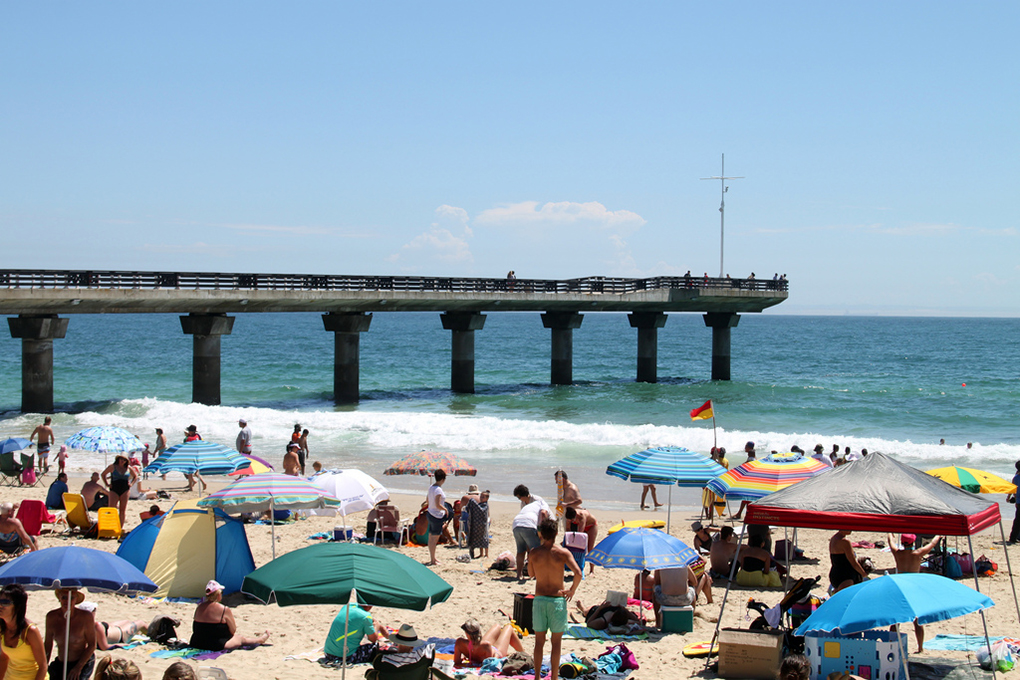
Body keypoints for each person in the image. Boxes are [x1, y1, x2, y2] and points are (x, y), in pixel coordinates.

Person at [528, 518, 581, 680]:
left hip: (540, 599)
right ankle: (554, 678)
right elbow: (578, 573)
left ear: (541, 534)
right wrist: (571, 590)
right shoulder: (563, 553)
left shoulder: (534, 552)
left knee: (539, 641)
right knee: (556, 642)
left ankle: (537, 677)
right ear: (557, 533)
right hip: (557, 600)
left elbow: (531, 574)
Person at [889, 533, 941, 652]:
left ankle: (891, 644)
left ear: (902, 542)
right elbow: (932, 543)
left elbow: (890, 543)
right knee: (917, 621)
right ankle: (920, 647)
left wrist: (890, 533)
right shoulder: (917, 554)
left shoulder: (898, 553)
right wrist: (938, 535)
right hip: (913, 589)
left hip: (900, 588)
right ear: (913, 543)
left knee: (896, 620)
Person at [190, 581, 269, 652]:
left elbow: (195, 628)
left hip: (196, 643)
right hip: (217, 645)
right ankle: (260, 640)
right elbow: (233, 630)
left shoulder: (199, 607)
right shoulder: (224, 610)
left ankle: (259, 640)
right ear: (218, 595)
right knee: (240, 638)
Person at [43, 588, 96, 680]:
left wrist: (78, 668)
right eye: (64, 597)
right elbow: (48, 644)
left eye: (71, 598)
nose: (67, 601)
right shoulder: (52, 617)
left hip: (82, 661)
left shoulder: (86, 617)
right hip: (61, 662)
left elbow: (92, 645)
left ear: (76, 600)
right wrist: (44, 665)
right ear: (59, 598)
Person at [0, 583, 47, 680]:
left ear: (18, 606)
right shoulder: (2, 628)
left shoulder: (30, 631)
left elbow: (43, 666)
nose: (0, 605)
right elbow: (4, 658)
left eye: (5, 602)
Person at [512, 485, 550, 580]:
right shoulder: (541, 504)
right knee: (537, 551)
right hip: (528, 524)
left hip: (516, 524)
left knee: (521, 551)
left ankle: (519, 574)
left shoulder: (538, 500)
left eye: (519, 497)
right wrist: (541, 532)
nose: (519, 499)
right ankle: (537, 574)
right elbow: (543, 514)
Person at [454, 618, 523, 666]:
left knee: (497, 626)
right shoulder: (485, 645)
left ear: (467, 634)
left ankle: (523, 654)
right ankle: (524, 654)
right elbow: (490, 663)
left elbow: (457, 661)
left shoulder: (460, 643)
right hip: (495, 652)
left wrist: (464, 656)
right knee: (508, 628)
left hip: (485, 648)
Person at [102, 456, 138, 527]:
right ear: (118, 459)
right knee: (111, 509)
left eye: (124, 460)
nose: (122, 461)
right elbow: (103, 474)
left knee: (122, 510)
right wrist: (107, 484)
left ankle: (120, 527)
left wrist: (131, 484)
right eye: (121, 459)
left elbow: (135, 476)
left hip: (125, 489)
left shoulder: (128, 468)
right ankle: (110, 526)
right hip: (114, 489)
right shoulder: (112, 467)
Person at [426, 469, 448, 566]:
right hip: (436, 515)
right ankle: (432, 560)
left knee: (431, 537)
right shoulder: (438, 490)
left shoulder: (431, 487)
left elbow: (427, 500)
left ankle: (433, 558)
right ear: (443, 479)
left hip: (430, 513)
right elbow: (438, 504)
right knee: (434, 539)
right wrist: (445, 509)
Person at [465, 490, 490, 559]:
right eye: (481, 496)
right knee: (480, 539)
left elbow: (481, 511)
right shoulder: (480, 504)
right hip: (477, 524)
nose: (481, 498)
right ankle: (481, 554)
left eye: (483, 497)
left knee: (484, 538)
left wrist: (472, 502)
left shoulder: (485, 505)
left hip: (482, 524)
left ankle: (486, 554)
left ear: (487, 498)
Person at [1009, 461, 1020, 545]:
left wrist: (1009, 497)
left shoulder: (1015, 477)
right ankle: (1015, 537)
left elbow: (1012, 489)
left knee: (1017, 520)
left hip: (1018, 501)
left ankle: (1013, 537)